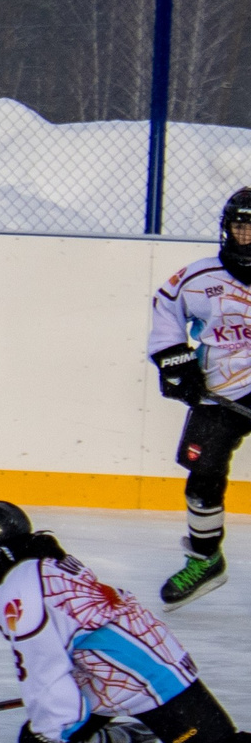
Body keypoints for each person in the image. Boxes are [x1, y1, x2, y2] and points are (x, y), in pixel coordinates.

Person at [0, 500, 251, 743]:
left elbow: (44, 667)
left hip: (145, 677)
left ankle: (125, 731)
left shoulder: (18, 588)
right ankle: (125, 737)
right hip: (134, 663)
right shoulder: (42, 563)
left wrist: (50, 737)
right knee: (46, 729)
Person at [145, 186, 251, 605]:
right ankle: (206, 560)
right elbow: (165, 312)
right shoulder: (198, 277)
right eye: (239, 227)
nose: (245, 236)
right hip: (221, 393)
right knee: (202, 473)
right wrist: (177, 366)